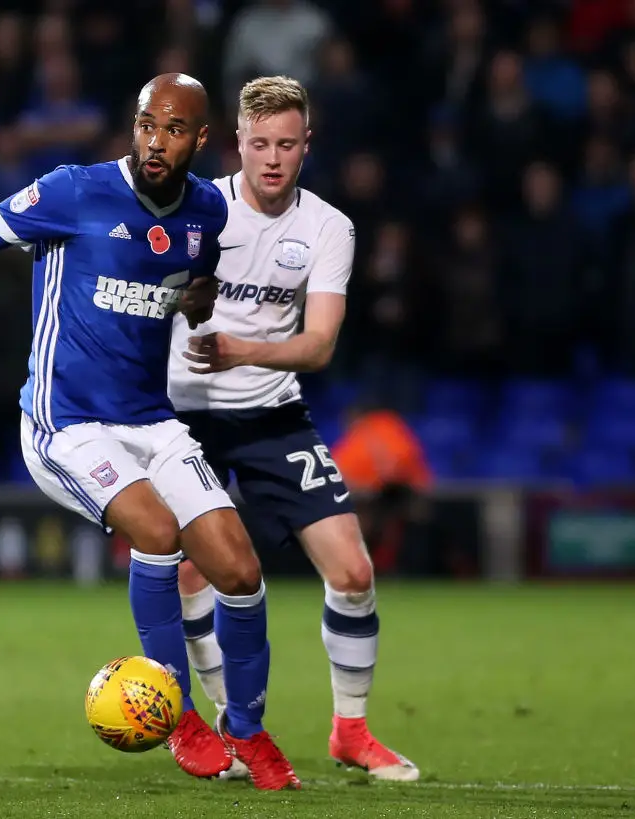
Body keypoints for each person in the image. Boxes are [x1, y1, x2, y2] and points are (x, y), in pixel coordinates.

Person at [0, 73, 300, 791]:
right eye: (145, 124)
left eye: (172, 129)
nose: (155, 140)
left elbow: (193, 276)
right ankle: (181, 713)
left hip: (151, 420)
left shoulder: (206, 212)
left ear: (202, 140)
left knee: (239, 568)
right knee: (157, 531)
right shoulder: (74, 191)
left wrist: (197, 303)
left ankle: (250, 731)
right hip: (64, 424)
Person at [169, 76, 419, 782]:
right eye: (259, 144)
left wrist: (238, 350)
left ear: (307, 145)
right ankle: (234, 726)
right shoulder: (197, 207)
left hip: (273, 411)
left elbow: (318, 346)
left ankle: (351, 731)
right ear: (235, 144)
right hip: (185, 418)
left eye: (286, 144)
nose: (272, 158)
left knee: (353, 569)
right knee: (195, 570)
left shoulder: (328, 227)